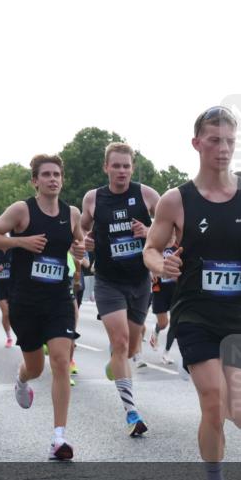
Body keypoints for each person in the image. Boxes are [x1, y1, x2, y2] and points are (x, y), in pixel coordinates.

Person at [144, 106, 241, 480]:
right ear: (197, 143)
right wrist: (161, 264)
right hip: (196, 313)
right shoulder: (175, 200)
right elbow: (151, 248)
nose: (223, 149)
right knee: (213, 400)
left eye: (230, 141)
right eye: (215, 140)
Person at [0, 154, 86, 460]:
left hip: (58, 299)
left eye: (57, 174)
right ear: (35, 180)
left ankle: (59, 438)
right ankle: (22, 378)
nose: (52, 179)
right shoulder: (22, 210)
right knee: (36, 367)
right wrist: (20, 242)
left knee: (60, 360)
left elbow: (80, 248)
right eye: (46, 174)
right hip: (25, 301)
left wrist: (81, 251)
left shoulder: (72, 214)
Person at [80, 141, 160, 437]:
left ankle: (116, 363)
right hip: (108, 281)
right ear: (106, 168)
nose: (122, 171)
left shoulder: (147, 194)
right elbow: (81, 229)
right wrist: (85, 241)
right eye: (116, 165)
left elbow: (174, 228)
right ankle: (131, 412)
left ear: (132, 168)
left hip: (140, 280)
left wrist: (149, 231)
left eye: (126, 166)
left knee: (131, 346)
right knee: (121, 341)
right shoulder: (93, 199)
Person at [148, 232, 179, 365]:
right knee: (163, 323)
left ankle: (166, 353)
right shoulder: (156, 248)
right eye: (169, 235)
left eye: (173, 236)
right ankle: (155, 332)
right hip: (160, 290)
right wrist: (151, 272)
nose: (171, 238)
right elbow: (147, 261)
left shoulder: (179, 247)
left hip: (175, 290)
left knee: (175, 322)